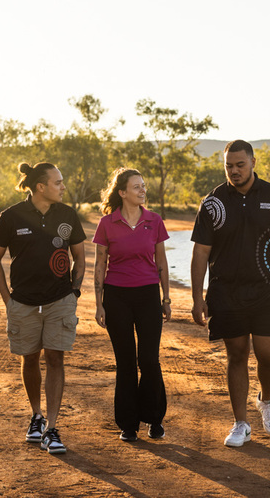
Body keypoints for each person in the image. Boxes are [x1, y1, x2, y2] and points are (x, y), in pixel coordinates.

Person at [191, 140, 270, 447]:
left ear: (253, 162)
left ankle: (266, 399)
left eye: (240, 165)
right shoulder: (214, 202)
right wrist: (198, 298)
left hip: (269, 291)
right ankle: (241, 423)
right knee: (236, 355)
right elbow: (201, 252)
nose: (234, 171)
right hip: (226, 293)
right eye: (229, 166)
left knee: (267, 356)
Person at [0, 162, 86, 455]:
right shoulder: (11, 216)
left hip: (60, 300)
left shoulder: (67, 215)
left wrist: (74, 292)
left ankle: (52, 428)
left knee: (56, 358)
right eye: (58, 182)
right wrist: (8, 300)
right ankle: (36, 415)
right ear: (41, 187)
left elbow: (79, 256)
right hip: (24, 302)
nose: (63, 186)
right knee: (29, 359)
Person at [92, 167, 172, 442]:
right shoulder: (107, 223)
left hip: (148, 294)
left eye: (143, 186)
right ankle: (128, 424)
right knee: (125, 361)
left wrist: (166, 297)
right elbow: (100, 263)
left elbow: (161, 262)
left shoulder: (154, 220)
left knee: (149, 359)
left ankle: (154, 419)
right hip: (117, 297)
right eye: (136, 187)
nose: (142, 190)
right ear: (122, 192)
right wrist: (99, 304)